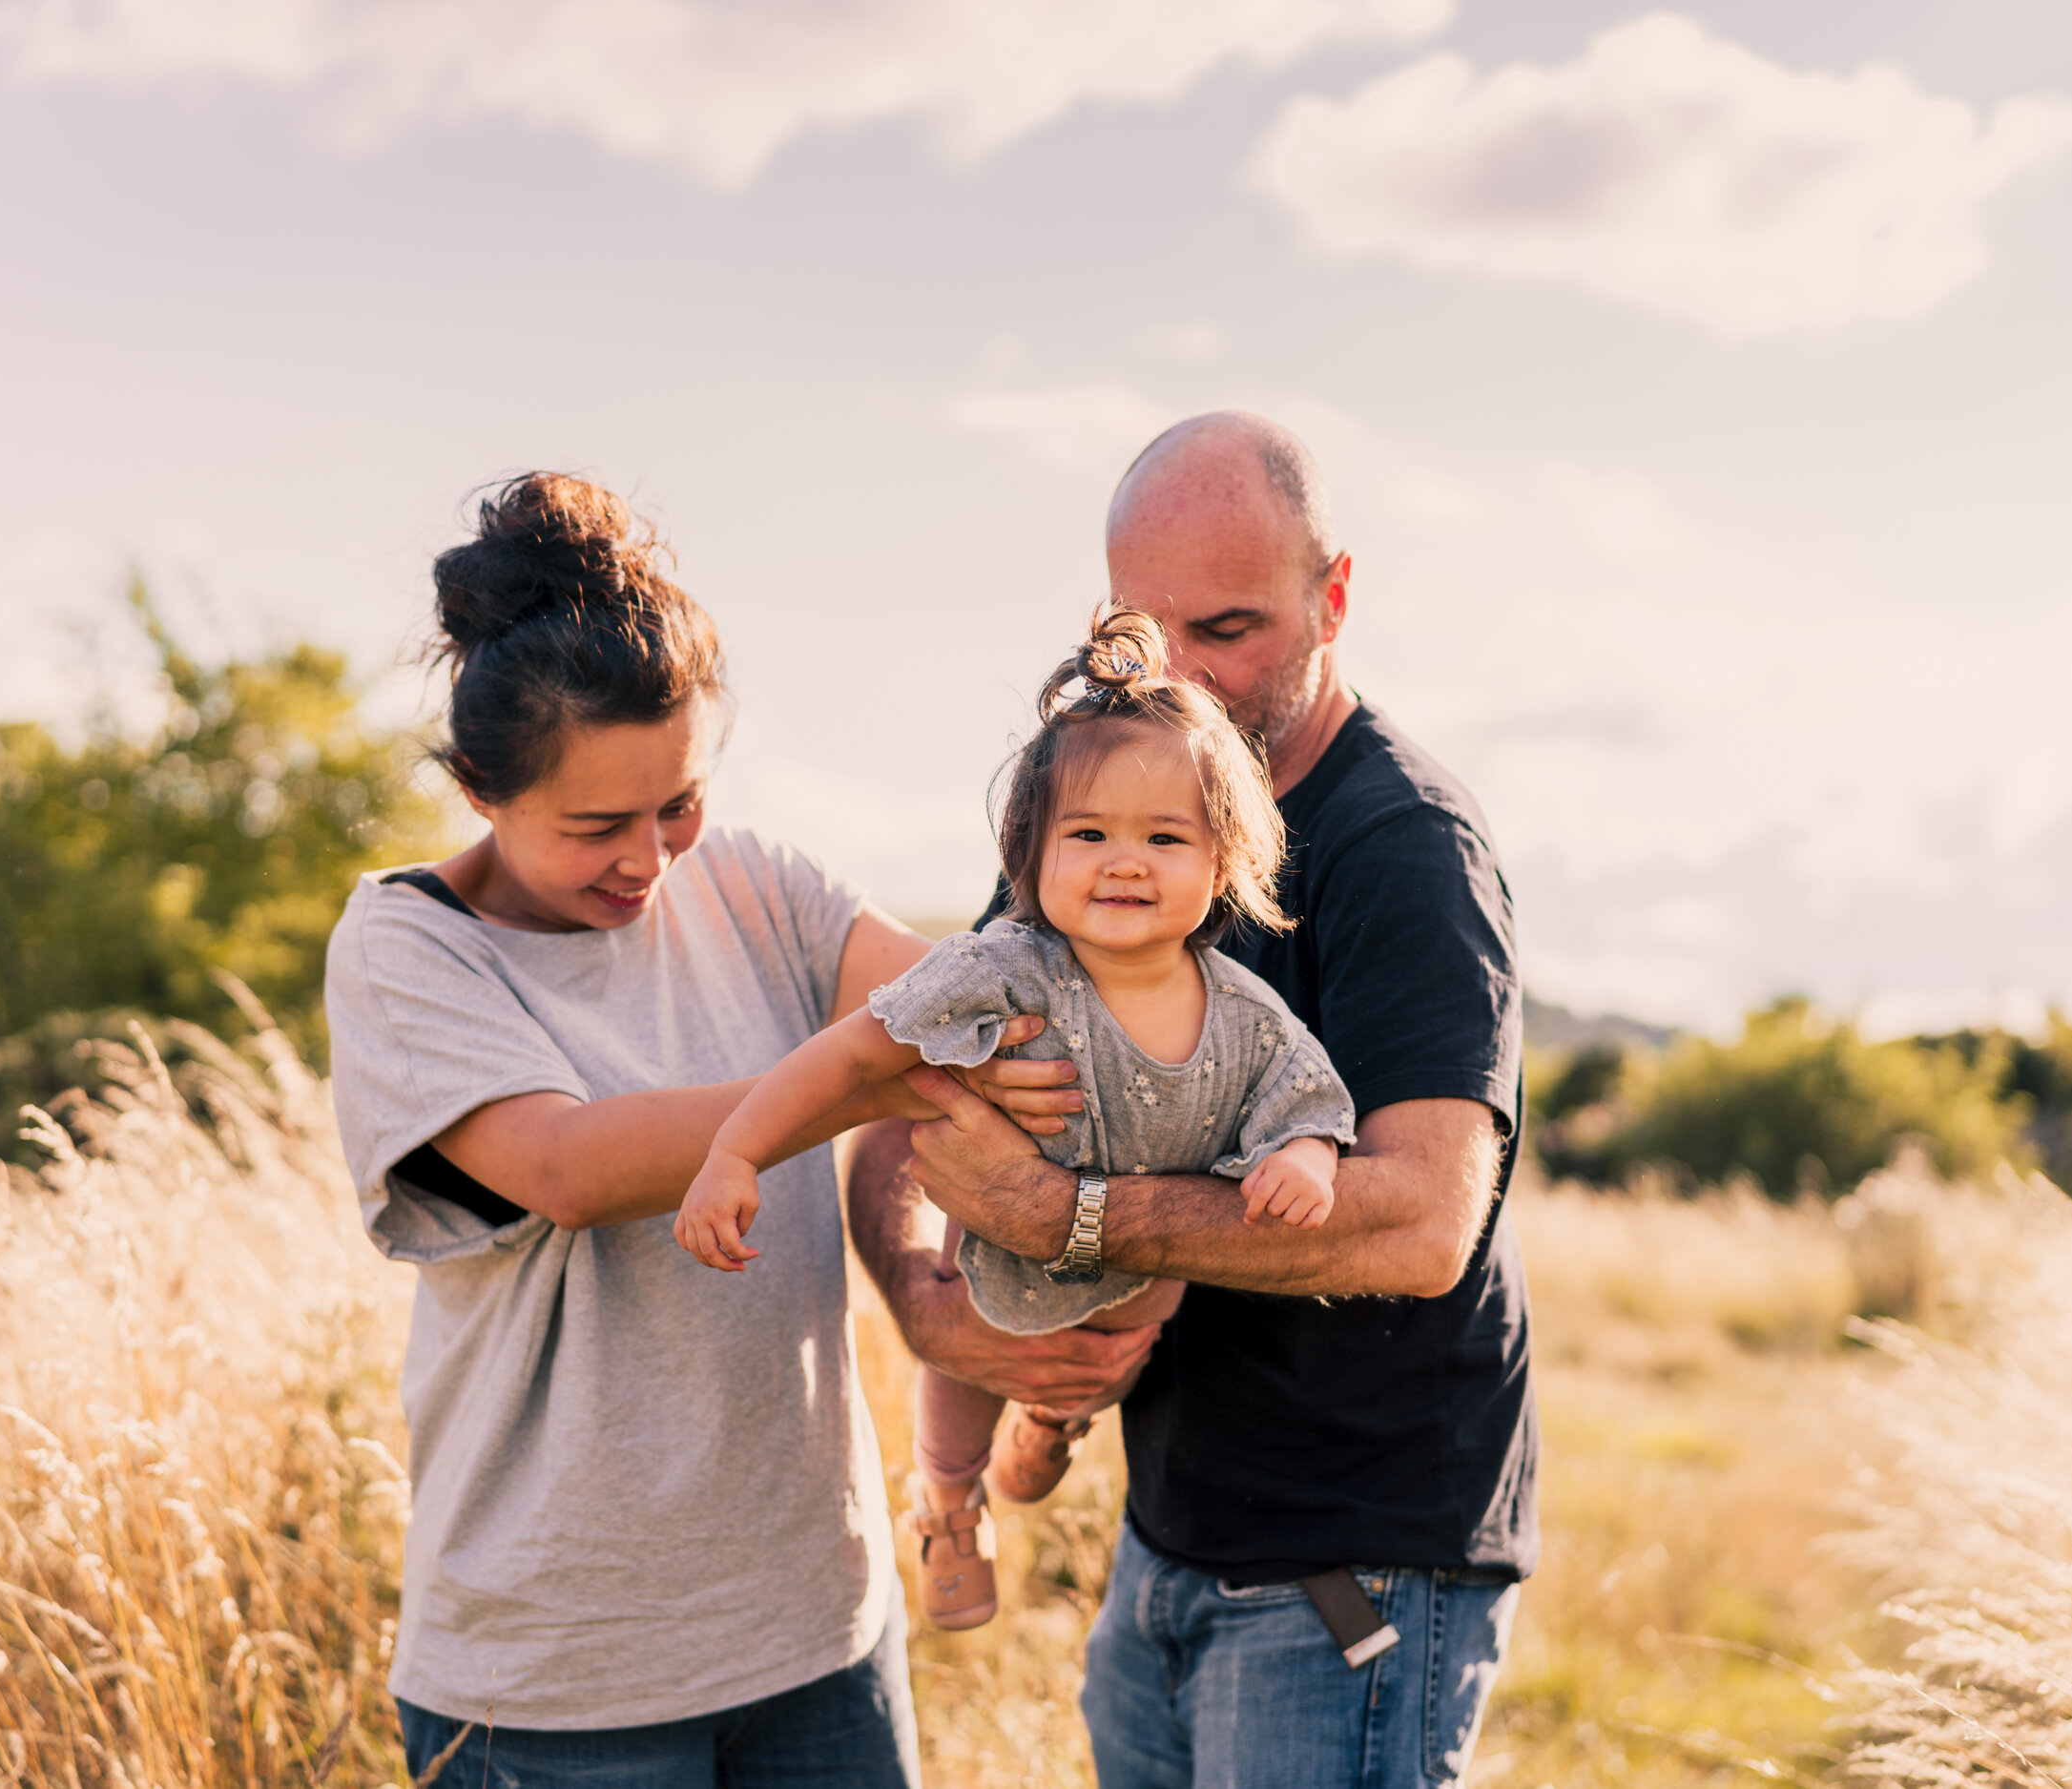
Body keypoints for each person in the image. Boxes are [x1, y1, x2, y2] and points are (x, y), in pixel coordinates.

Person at [849, 413, 1532, 1788]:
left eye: (1228, 629)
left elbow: (1420, 1223)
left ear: (1334, 595)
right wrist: (939, 1311)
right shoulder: (1107, 795)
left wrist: (1066, 1214)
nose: (1186, 685)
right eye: (1142, 637)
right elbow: (903, 1084)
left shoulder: (1405, 846)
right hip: (1168, 1544)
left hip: (1353, 1561)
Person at [325, 472, 971, 1787]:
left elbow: (951, 1006)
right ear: (478, 789)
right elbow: (565, 1165)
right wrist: (865, 1073)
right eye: (594, 825)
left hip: (818, 1641)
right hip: (556, 1682)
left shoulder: (760, 884)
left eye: (677, 801)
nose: (650, 857)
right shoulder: (406, 944)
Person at [673, 608, 1357, 1634]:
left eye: (1164, 838)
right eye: (1088, 835)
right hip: (991, 1260)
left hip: (1138, 1276)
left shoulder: (1245, 1013)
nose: (1124, 862)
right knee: (966, 1354)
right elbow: (853, 1054)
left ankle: (1057, 1413)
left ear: (1222, 862)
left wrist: (1303, 1157)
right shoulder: (999, 968)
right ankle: (949, 1498)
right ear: (1029, 853)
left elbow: (1307, 1101)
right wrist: (737, 1151)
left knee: (1113, 1349)